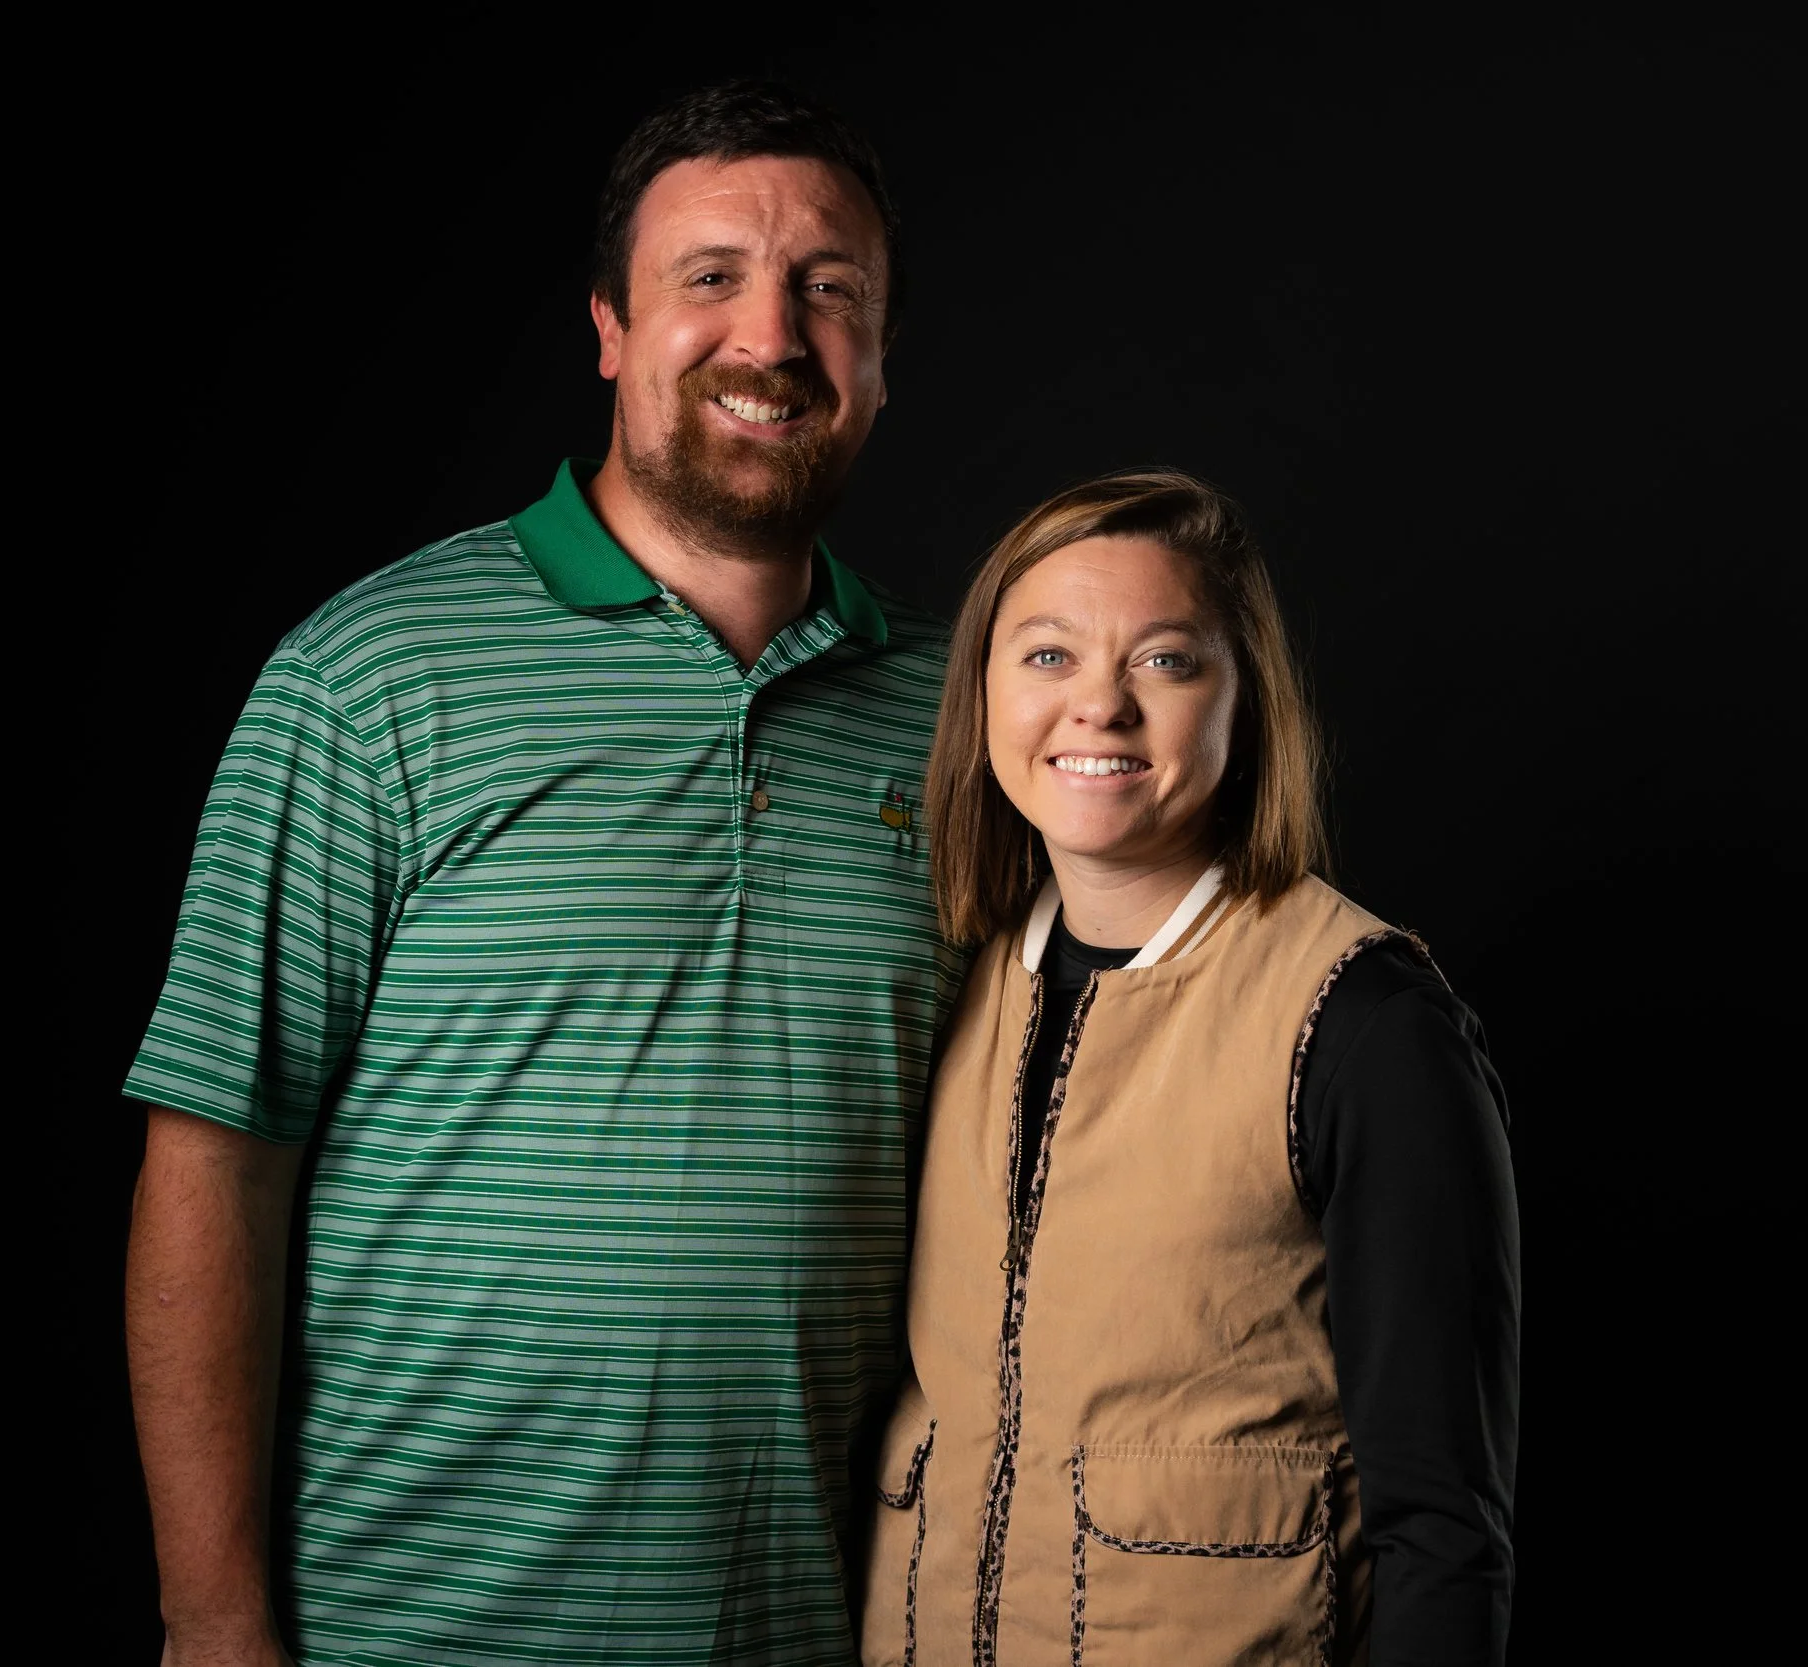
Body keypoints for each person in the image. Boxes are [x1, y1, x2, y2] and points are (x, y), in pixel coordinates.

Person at [122, 83, 961, 1666]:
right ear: (606, 329)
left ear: (880, 356)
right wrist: (213, 1623)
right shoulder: (369, 674)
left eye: (828, 289)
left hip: (812, 1631)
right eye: (709, 276)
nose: (771, 337)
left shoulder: (966, 715)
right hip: (410, 1626)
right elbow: (213, 1162)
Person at [856, 471, 1518, 1665]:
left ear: (1244, 697)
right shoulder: (952, 978)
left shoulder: (1365, 1023)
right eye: (1046, 655)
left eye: (1164, 660)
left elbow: (1443, 1531)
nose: (1097, 706)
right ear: (982, 692)